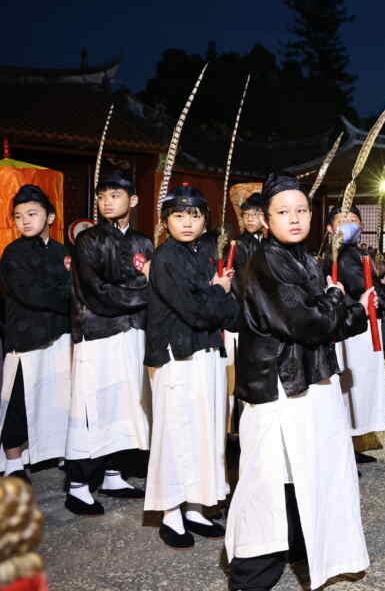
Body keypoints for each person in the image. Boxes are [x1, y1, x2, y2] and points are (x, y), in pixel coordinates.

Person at [226, 173, 373, 591]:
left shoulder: (303, 258)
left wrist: (346, 309)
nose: (294, 219)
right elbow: (307, 322)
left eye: (301, 210)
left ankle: (306, 545)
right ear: (267, 219)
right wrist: (336, 300)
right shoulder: (265, 262)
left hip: (307, 380)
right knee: (266, 478)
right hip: (277, 384)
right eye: (283, 212)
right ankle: (251, 576)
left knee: (308, 467)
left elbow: (329, 321)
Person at [143, 185, 241, 548]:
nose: (187, 222)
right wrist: (218, 291)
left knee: (208, 429)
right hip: (176, 356)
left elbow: (228, 314)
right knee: (176, 432)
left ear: (205, 221)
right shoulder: (165, 258)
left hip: (207, 353)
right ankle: (170, 512)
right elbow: (195, 310)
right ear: (166, 221)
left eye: (195, 215)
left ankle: (198, 505)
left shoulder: (205, 255)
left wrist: (221, 294)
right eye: (179, 215)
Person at [65, 169, 152, 515]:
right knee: (91, 407)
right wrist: (143, 290)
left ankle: (114, 473)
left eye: (115, 195)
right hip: (97, 332)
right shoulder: (88, 241)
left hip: (132, 332)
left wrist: (144, 292)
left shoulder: (144, 242)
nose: (106, 201)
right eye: (102, 196)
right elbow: (96, 292)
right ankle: (78, 484)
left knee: (125, 403)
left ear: (133, 201)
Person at [0, 185, 72, 482]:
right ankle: (14, 461)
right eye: (18, 216)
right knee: (18, 397)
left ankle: (60, 450)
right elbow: (30, 294)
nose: (25, 221)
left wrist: (69, 293)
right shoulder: (12, 253)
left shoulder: (63, 252)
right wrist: (66, 294)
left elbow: (75, 289)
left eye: (32, 213)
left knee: (58, 396)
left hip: (59, 335)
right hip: (25, 335)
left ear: (50, 217)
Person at [332, 205, 385, 463]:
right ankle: (344, 449)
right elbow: (360, 285)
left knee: (359, 390)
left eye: (353, 219)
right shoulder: (342, 255)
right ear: (331, 228)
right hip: (352, 326)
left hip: (361, 324)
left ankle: (352, 444)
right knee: (350, 389)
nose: (348, 223)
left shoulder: (353, 251)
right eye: (342, 220)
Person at [225, 192, 266, 434]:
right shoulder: (239, 245)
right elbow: (240, 284)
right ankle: (239, 429)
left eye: (255, 214)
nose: (250, 219)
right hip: (247, 314)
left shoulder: (272, 243)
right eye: (246, 215)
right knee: (242, 371)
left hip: (266, 317)